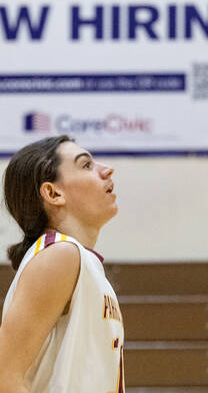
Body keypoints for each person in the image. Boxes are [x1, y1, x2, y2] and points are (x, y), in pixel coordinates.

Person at [0, 136, 124, 393]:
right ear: (53, 193)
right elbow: (5, 375)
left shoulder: (79, 259)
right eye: (86, 165)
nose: (106, 170)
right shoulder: (59, 255)